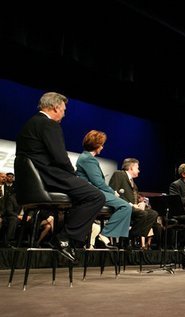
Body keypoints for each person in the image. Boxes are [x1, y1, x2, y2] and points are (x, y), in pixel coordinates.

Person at [15, 92, 105, 263]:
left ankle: (65, 237)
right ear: (55, 108)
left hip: (32, 184)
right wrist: (73, 175)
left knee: (80, 197)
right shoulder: (49, 124)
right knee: (95, 196)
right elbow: (60, 158)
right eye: (63, 110)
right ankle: (64, 239)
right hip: (49, 178)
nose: (64, 113)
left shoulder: (30, 123)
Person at [75, 130, 132, 249]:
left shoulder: (86, 157)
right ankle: (104, 234)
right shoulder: (88, 159)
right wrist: (113, 192)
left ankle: (105, 234)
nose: (102, 147)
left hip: (94, 191)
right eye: (101, 144)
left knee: (125, 206)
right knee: (125, 206)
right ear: (96, 145)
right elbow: (98, 182)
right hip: (94, 192)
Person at [108, 158, 158, 250]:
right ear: (131, 168)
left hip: (133, 208)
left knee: (153, 214)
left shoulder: (133, 184)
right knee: (143, 214)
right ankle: (130, 238)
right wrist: (130, 204)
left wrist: (141, 203)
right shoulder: (119, 174)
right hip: (122, 207)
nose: (139, 170)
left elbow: (136, 198)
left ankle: (133, 236)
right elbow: (113, 193)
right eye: (137, 167)